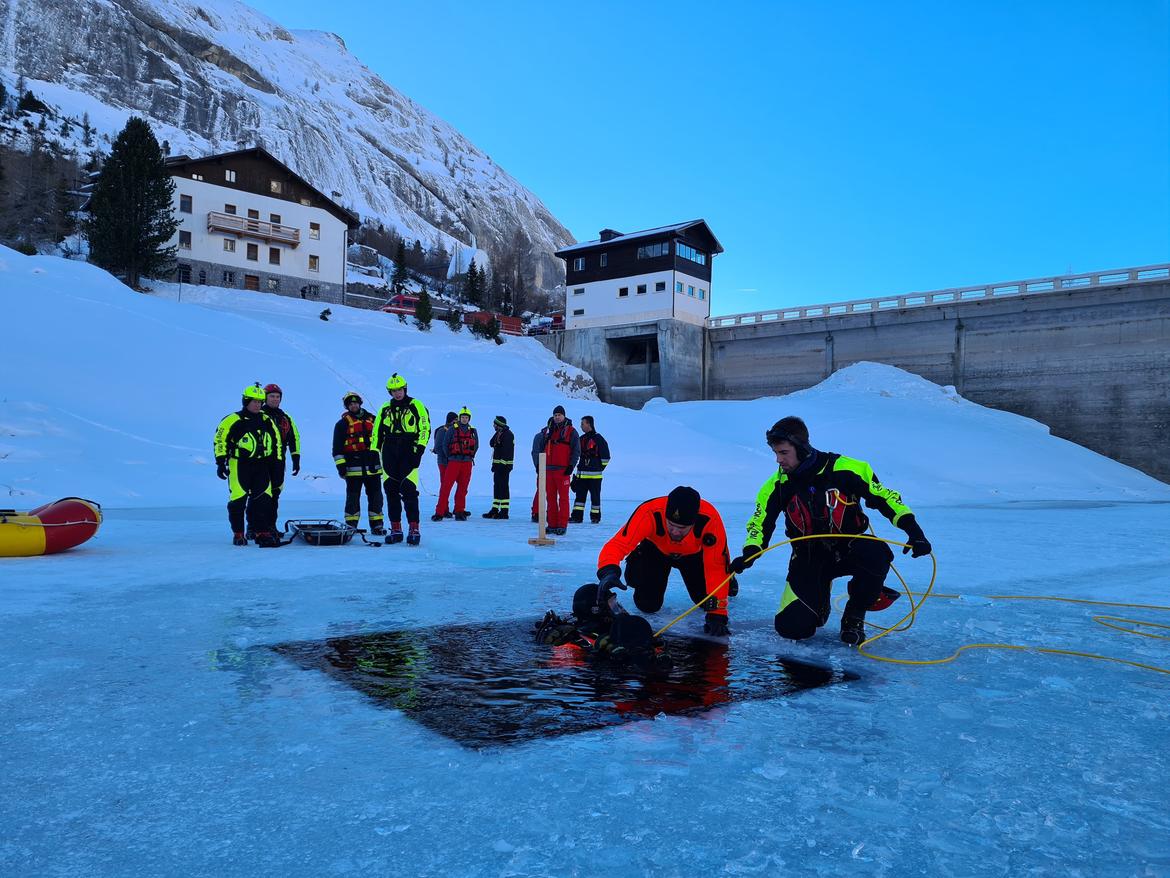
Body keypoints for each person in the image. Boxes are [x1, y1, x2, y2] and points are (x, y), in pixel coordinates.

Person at [731, 415, 933, 646]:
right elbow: (759, 523)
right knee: (792, 629)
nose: (778, 460)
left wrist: (915, 532)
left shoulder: (848, 469)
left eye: (783, 453)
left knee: (876, 552)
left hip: (849, 548)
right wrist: (750, 551)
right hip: (808, 556)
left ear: (802, 448)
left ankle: (854, 616)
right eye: (775, 453)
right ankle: (819, 600)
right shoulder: (776, 485)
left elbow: (888, 499)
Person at [595, 486, 734, 637]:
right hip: (657, 552)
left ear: (693, 523)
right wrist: (608, 571)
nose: (675, 531)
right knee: (647, 605)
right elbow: (618, 544)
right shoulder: (650, 512)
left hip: (694, 555)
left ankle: (730, 580)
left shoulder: (709, 519)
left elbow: (715, 566)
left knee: (704, 600)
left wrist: (717, 613)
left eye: (681, 528)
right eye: (671, 524)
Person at [213, 382, 283, 546]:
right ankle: (238, 533)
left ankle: (262, 532)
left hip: (262, 465)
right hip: (240, 465)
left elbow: (277, 443)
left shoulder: (267, 420)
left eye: (260, 402)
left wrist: (277, 465)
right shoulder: (232, 419)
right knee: (238, 500)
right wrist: (220, 462)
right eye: (254, 401)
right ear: (246, 401)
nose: (258, 405)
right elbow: (220, 440)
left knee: (263, 500)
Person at [534, 584, 666, 665]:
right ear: (596, 610)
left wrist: (653, 647)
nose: (617, 609)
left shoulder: (615, 632)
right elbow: (560, 667)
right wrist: (600, 658)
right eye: (612, 605)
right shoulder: (573, 642)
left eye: (616, 603)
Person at [371, 372, 431, 545]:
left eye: (399, 390)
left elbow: (425, 426)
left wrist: (419, 450)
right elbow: (377, 431)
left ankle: (414, 529)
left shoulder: (416, 405)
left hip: (408, 450)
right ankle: (396, 529)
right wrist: (375, 452)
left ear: (405, 389)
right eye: (393, 391)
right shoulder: (385, 407)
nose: (397, 393)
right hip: (389, 451)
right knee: (391, 491)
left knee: (409, 490)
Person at [332, 391, 385, 536]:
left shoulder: (374, 420)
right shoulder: (342, 424)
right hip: (352, 469)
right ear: (347, 406)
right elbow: (337, 448)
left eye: (355, 402)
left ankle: (377, 525)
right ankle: (351, 525)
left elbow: (383, 441)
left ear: (360, 404)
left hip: (373, 467)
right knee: (352, 498)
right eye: (350, 403)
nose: (353, 405)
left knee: (376, 497)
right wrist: (341, 466)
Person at [531, 405, 579, 535]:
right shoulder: (547, 432)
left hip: (563, 470)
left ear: (564, 416)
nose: (557, 417)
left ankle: (562, 525)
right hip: (548, 470)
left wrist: (571, 466)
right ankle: (552, 524)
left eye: (559, 415)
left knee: (563, 498)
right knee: (550, 498)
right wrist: (539, 466)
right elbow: (539, 450)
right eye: (555, 415)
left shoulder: (572, 432)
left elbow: (576, 451)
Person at [260, 383, 301, 529]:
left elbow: (294, 438)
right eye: (272, 396)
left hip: (278, 462)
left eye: (278, 397)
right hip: (260, 462)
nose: (275, 399)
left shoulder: (285, 417)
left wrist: (295, 459)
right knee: (259, 495)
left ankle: (271, 526)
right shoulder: (258, 415)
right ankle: (254, 527)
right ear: (265, 397)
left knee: (275, 494)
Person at [433, 406, 477, 521]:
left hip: (467, 463)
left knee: (463, 488)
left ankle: (459, 511)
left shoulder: (473, 431)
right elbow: (444, 445)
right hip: (454, 462)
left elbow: (476, 446)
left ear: (469, 419)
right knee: (446, 487)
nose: (464, 419)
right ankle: (440, 512)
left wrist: (469, 456)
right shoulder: (452, 429)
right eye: (462, 417)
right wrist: (450, 457)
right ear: (459, 418)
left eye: (466, 417)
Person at [570, 415, 610, 524]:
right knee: (579, 499)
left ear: (589, 424)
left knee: (595, 498)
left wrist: (598, 467)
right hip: (581, 476)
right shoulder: (581, 439)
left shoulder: (599, 439)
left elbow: (606, 457)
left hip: (595, 477)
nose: (581, 426)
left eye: (582, 424)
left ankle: (595, 518)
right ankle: (576, 517)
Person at [483, 415, 514, 519]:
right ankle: (495, 509)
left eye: (495, 424)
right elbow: (491, 443)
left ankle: (504, 511)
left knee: (503, 488)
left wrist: (502, 465)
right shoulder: (499, 433)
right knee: (497, 487)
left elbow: (506, 452)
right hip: (497, 466)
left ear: (499, 425)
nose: (493, 426)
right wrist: (495, 465)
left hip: (504, 467)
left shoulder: (508, 435)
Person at [432, 410, 457, 517]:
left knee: (447, 486)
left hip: (451, 462)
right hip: (443, 462)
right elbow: (438, 447)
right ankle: (444, 509)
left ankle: (447, 509)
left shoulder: (453, 430)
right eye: (455, 419)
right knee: (444, 485)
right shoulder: (442, 431)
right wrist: (448, 456)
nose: (457, 422)